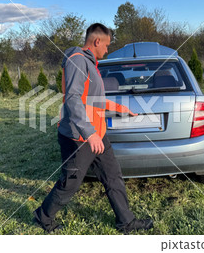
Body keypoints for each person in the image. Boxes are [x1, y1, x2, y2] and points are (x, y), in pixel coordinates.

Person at [33, 23, 154, 234]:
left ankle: (126, 221)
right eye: (106, 45)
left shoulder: (90, 63)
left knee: (113, 176)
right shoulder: (77, 61)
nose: (107, 50)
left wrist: (120, 109)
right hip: (79, 138)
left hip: (98, 134)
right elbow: (72, 99)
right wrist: (89, 134)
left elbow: (94, 100)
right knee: (70, 183)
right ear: (97, 41)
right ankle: (43, 216)